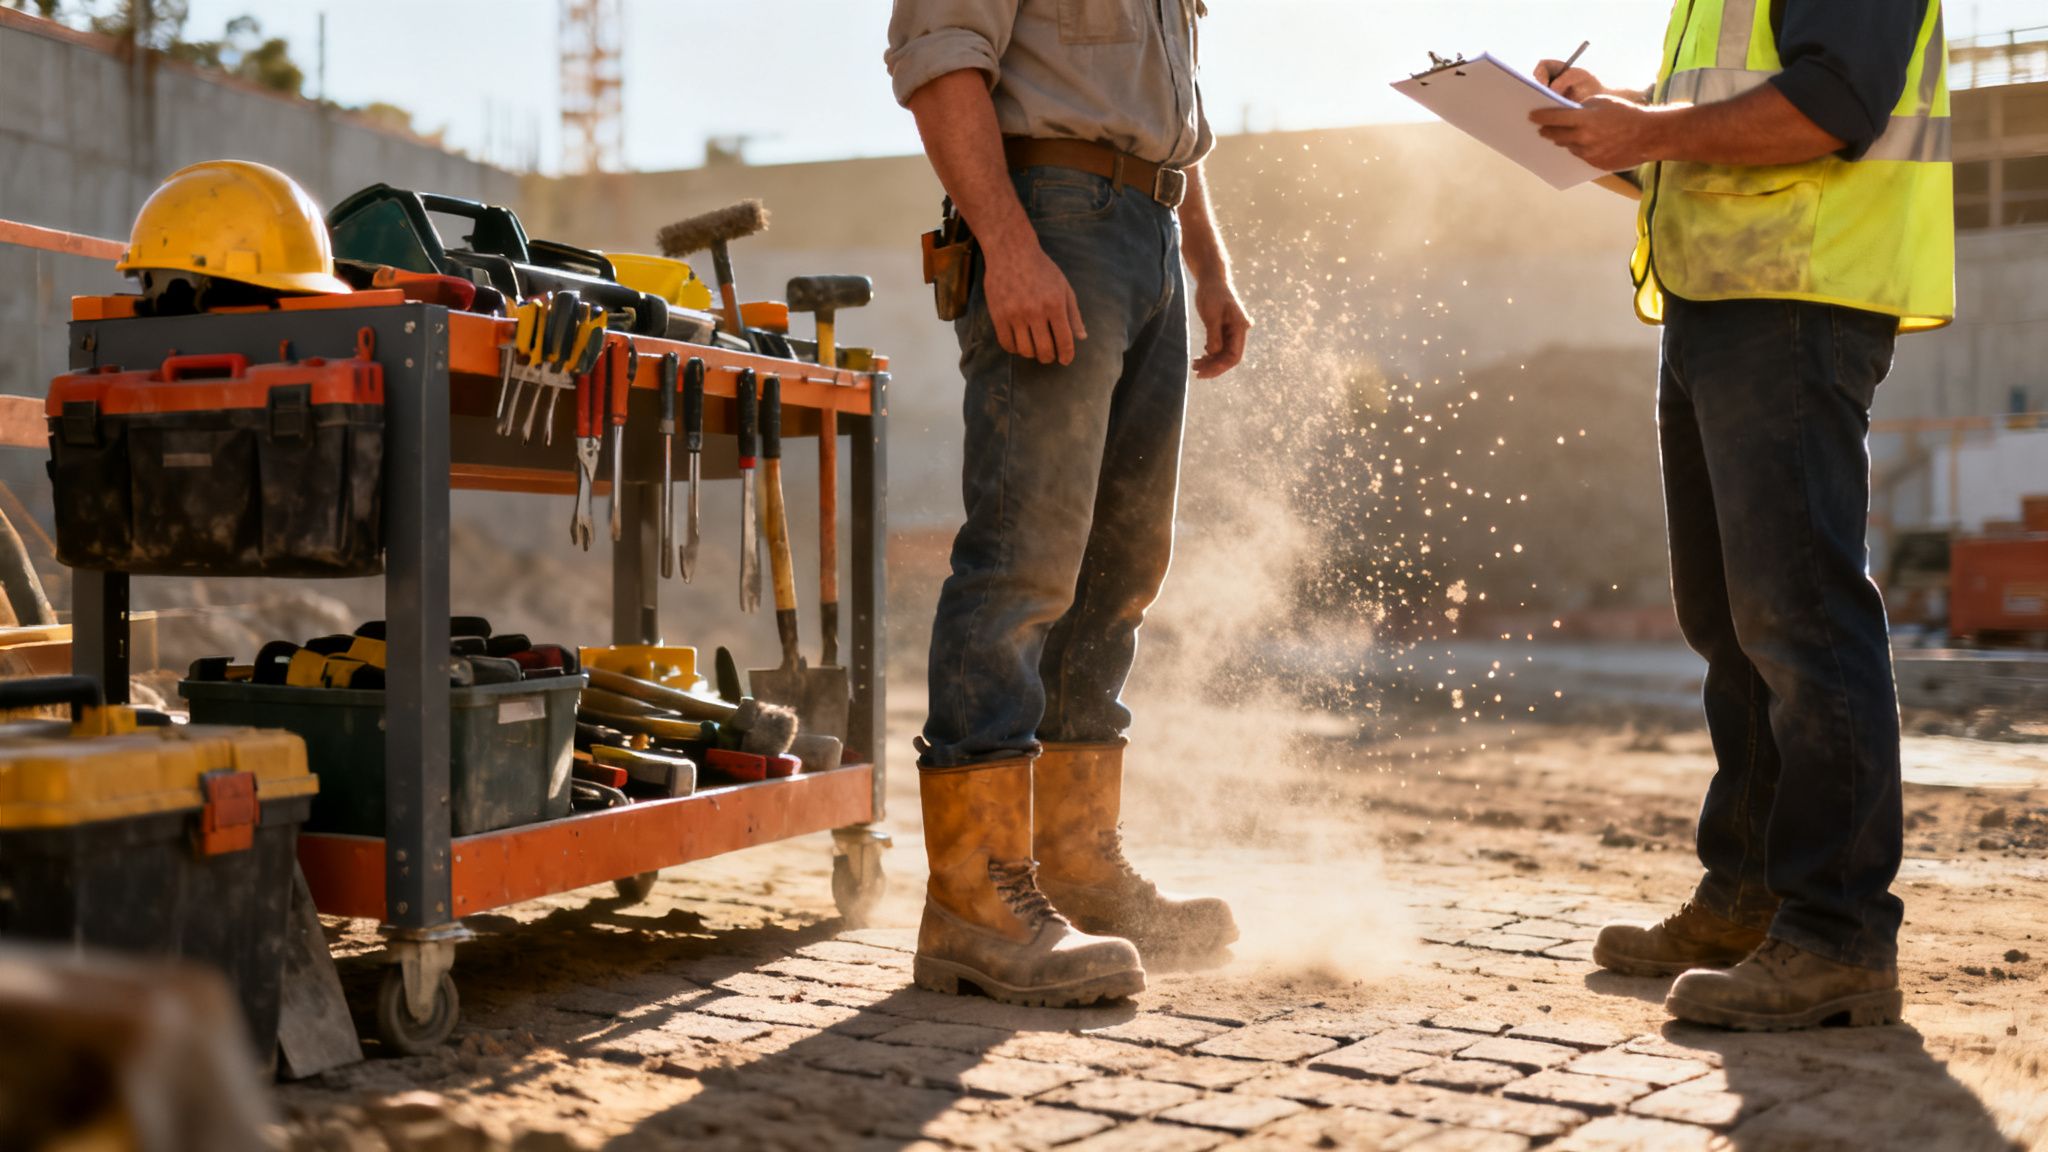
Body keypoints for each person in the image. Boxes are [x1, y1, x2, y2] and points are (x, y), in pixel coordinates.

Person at [1529, 1, 1953, 1030]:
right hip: (1716, 297)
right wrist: (1603, 131)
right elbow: (1708, 140)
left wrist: (1646, 129)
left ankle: (1834, 935)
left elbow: (1830, 104)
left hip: (1798, 291)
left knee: (1798, 619)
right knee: (1729, 620)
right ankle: (1750, 897)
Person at [885, 0, 1251, 1007]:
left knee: (1120, 568)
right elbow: (937, 60)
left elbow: (1171, 116)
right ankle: (973, 899)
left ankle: (1078, 867)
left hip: (1146, 234)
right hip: (1052, 218)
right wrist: (1007, 246)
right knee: (1022, 557)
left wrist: (1206, 266)